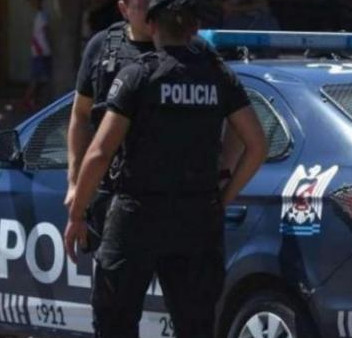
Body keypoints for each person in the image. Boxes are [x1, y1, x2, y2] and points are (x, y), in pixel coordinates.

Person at [63, 0, 268, 336]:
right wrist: (222, 196)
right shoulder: (215, 74)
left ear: (155, 25)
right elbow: (256, 143)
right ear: (192, 28)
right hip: (197, 214)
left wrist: (76, 212)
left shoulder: (138, 75)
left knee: (115, 320)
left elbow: (100, 152)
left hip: (136, 213)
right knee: (196, 323)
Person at [66, 0, 155, 254]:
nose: (151, 11)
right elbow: (80, 115)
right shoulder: (103, 47)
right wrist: (75, 184)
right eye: (142, 5)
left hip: (169, 195)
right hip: (114, 192)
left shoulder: (183, 50)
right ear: (123, 8)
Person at [20, 0, 52, 112]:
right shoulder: (41, 17)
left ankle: (31, 100)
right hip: (40, 51)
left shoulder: (41, 16)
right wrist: (41, 50)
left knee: (39, 78)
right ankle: (27, 100)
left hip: (41, 50)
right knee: (36, 78)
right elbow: (41, 34)